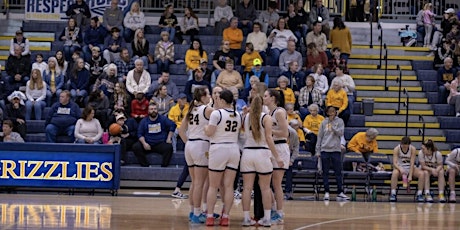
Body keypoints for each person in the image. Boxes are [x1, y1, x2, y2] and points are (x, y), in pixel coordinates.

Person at [240, 95, 282, 227]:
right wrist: (277, 157)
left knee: (247, 188)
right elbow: (269, 139)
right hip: (262, 153)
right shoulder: (266, 117)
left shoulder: (245, 117)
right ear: (262, 103)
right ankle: (267, 219)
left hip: (247, 152)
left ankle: (247, 219)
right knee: (265, 188)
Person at [204, 89, 241, 226]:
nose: (216, 100)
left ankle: (209, 216)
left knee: (213, 186)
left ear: (223, 100)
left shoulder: (216, 113)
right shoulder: (237, 114)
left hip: (219, 148)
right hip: (233, 149)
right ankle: (225, 216)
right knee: (229, 186)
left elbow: (210, 132)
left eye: (219, 99)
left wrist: (205, 128)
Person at [178, 87, 213, 223]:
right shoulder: (207, 110)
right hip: (201, 145)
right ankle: (198, 213)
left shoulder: (191, 109)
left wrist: (189, 143)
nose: (210, 96)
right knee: (200, 182)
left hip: (190, 145)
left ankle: (193, 211)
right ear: (203, 97)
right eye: (209, 94)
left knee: (194, 182)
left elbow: (181, 131)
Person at [262, 89, 289, 224]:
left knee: (276, 184)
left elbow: (285, 133)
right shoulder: (268, 112)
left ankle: (279, 212)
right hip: (271, 148)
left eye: (266, 96)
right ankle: (272, 209)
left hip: (280, 147)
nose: (264, 97)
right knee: (268, 183)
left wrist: (268, 130)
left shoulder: (279, 112)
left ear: (272, 98)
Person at [316, 105, 349, 201]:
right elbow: (320, 137)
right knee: (325, 172)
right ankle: (326, 192)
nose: (331, 113)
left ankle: (340, 192)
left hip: (336, 149)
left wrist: (333, 126)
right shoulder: (323, 122)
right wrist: (318, 150)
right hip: (325, 149)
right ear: (327, 112)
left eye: (333, 111)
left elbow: (340, 133)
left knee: (338, 172)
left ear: (336, 112)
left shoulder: (340, 121)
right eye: (329, 111)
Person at [132, 102, 176, 167]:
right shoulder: (144, 121)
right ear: (148, 111)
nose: (153, 111)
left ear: (157, 110)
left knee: (169, 147)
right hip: (148, 144)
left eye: (155, 109)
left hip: (160, 143)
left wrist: (169, 138)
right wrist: (144, 144)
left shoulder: (163, 119)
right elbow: (139, 134)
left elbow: (173, 125)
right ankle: (145, 165)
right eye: (151, 109)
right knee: (136, 147)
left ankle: (164, 166)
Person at [389, 137, 426, 202]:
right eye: (403, 146)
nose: (404, 147)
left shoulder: (413, 149)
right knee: (394, 173)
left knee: (421, 174)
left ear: (409, 145)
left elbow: (412, 163)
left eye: (406, 146)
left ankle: (420, 194)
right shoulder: (396, 149)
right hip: (400, 167)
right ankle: (393, 193)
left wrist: (410, 175)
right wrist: (400, 169)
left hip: (410, 167)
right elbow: (394, 163)